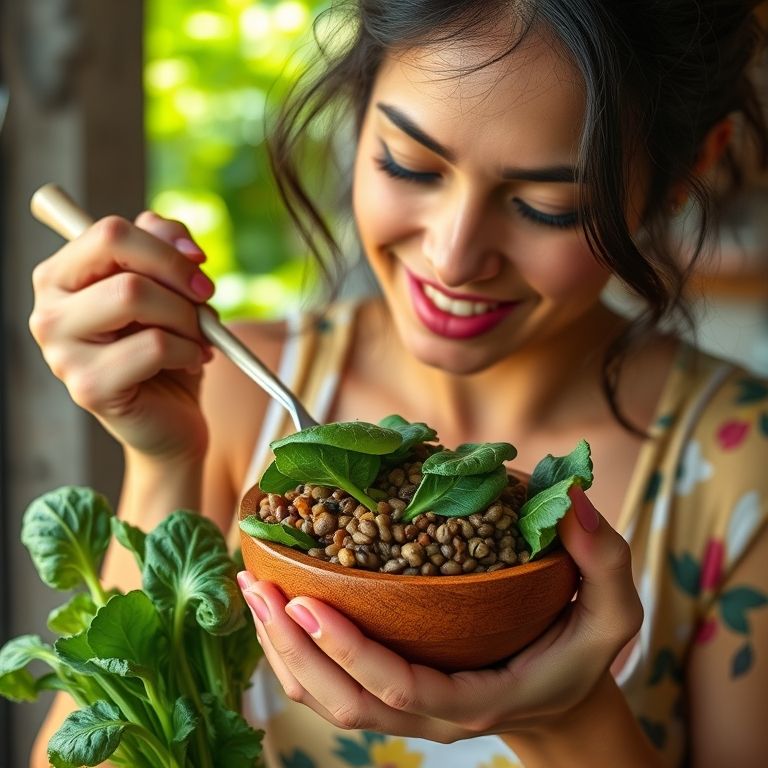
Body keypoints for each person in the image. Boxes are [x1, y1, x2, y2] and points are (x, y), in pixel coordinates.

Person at [28, 1, 768, 766]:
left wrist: (566, 720)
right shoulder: (232, 395)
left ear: (685, 174)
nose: (452, 257)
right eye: (408, 164)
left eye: (548, 206)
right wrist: (166, 462)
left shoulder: (743, 470)